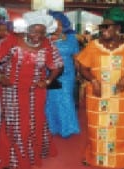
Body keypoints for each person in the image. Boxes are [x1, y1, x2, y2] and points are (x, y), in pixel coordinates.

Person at [76, 7, 124, 169]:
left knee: (120, 128)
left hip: (120, 95)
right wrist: (93, 80)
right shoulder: (93, 45)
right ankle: (94, 156)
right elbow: (82, 66)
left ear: (119, 28)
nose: (103, 30)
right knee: (96, 127)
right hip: (97, 93)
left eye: (107, 26)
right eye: (102, 26)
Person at [0, 9, 63, 169]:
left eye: (42, 33)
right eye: (34, 31)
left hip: (36, 91)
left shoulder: (48, 45)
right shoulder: (12, 40)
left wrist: (48, 80)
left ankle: (34, 153)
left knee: (35, 122)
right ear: (27, 29)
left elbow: (58, 66)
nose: (38, 36)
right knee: (14, 123)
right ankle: (13, 159)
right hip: (12, 89)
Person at [45, 10, 80, 138]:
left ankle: (68, 128)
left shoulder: (71, 38)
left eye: (60, 25)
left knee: (65, 99)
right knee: (51, 99)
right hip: (50, 73)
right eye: (55, 25)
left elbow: (77, 57)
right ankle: (52, 127)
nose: (58, 28)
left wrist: (80, 73)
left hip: (67, 74)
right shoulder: (44, 38)